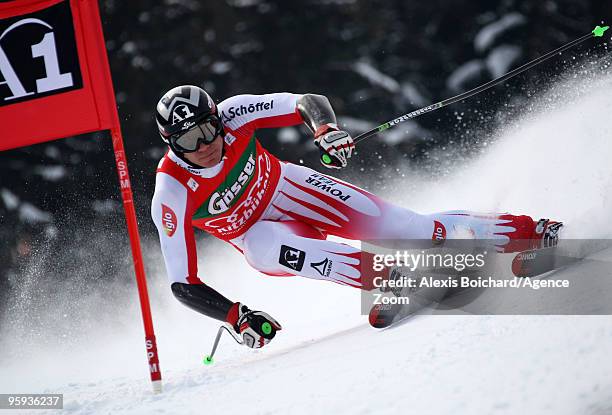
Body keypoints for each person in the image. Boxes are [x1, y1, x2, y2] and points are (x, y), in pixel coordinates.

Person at [151, 85, 561, 348]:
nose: (204, 145)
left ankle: (530, 231)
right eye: (188, 139)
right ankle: (392, 278)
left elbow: (306, 102)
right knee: (261, 250)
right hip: (260, 232)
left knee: (413, 230)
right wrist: (236, 317)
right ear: (171, 144)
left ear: (218, 121)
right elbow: (181, 284)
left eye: (207, 130)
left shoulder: (234, 113)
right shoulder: (171, 192)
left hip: (291, 188)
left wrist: (324, 130)